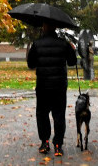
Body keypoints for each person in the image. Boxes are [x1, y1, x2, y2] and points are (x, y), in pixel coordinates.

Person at [27, 21, 78, 157]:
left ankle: (44, 142)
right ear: (55, 27)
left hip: (43, 86)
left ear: (44, 27)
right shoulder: (63, 44)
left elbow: (31, 64)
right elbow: (72, 62)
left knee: (42, 115)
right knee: (59, 115)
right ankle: (58, 145)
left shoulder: (37, 44)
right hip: (59, 86)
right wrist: (72, 50)